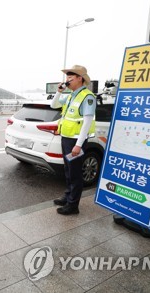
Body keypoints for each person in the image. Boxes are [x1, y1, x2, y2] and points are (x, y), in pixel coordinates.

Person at [50, 65, 96, 215]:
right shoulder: (71, 95)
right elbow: (53, 105)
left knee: (75, 173)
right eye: (67, 77)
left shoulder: (87, 97)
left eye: (70, 77)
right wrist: (59, 91)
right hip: (66, 139)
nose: (67, 80)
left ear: (79, 78)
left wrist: (78, 145)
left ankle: (73, 205)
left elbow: (87, 122)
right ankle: (68, 196)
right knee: (68, 169)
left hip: (77, 141)